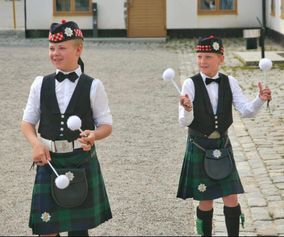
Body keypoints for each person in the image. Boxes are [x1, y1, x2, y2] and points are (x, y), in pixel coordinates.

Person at [21, 19, 113, 236]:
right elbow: (27, 122)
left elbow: (106, 125)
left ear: (78, 49)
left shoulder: (93, 86)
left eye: (62, 48)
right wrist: (36, 144)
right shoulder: (39, 84)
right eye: (52, 48)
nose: (55, 53)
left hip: (80, 160)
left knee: (78, 230)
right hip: (49, 160)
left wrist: (94, 135)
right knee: (46, 228)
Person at [177, 35, 272, 236]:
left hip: (222, 146)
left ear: (221, 58)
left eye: (208, 57)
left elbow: (246, 111)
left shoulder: (230, 82)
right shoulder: (190, 84)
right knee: (206, 199)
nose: (203, 62)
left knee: (231, 197)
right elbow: (184, 122)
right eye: (200, 56)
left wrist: (260, 100)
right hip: (200, 147)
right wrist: (187, 109)